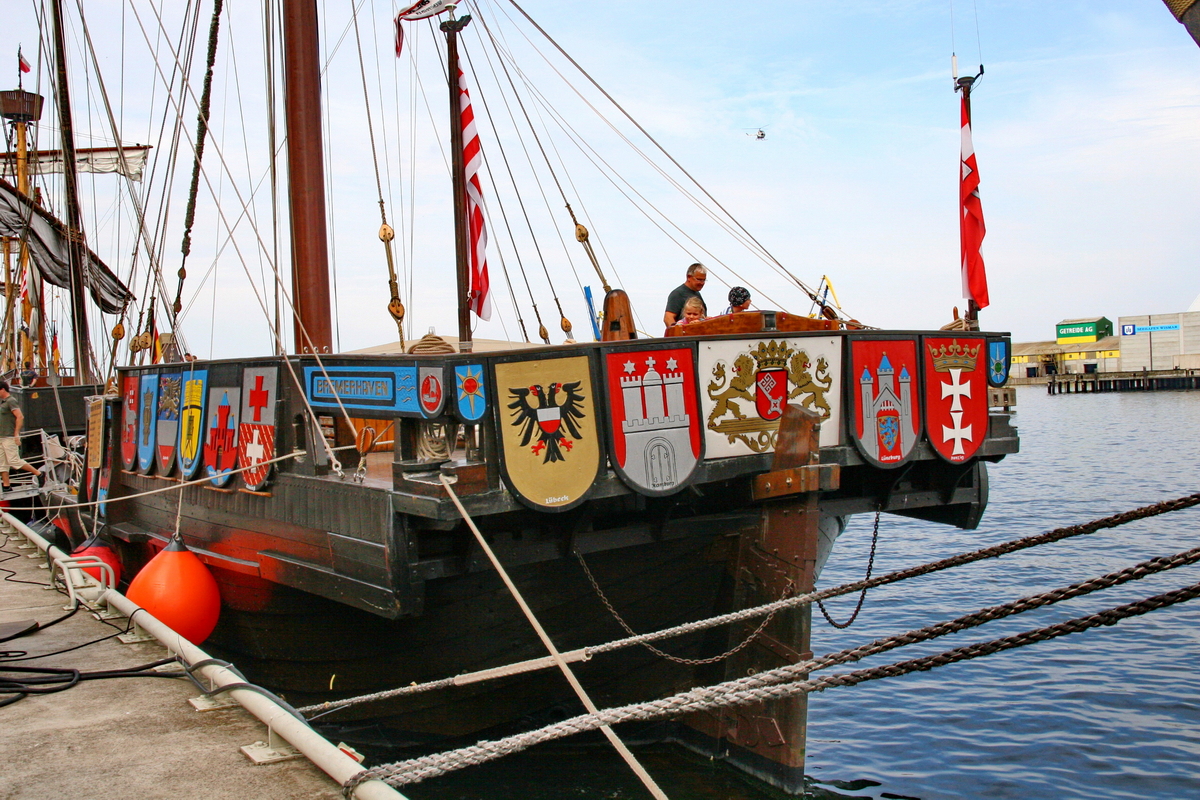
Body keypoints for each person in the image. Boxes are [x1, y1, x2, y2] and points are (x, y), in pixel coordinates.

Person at [0, 381, 41, 492]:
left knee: (14, 461)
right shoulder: (2, 402)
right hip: (1, 436)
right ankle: (6, 485)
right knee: (2, 463)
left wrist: (16, 434)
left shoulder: (11, 401)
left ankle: (39, 474)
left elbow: (20, 416)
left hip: (9, 436)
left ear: (2, 389)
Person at [663, 263, 707, 328]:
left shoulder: (697, 294)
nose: (702, 283)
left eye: (704, 280)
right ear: (689, 277)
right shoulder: (678, 294)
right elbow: (668, 318)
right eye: (699, 279)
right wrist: (677, 332)